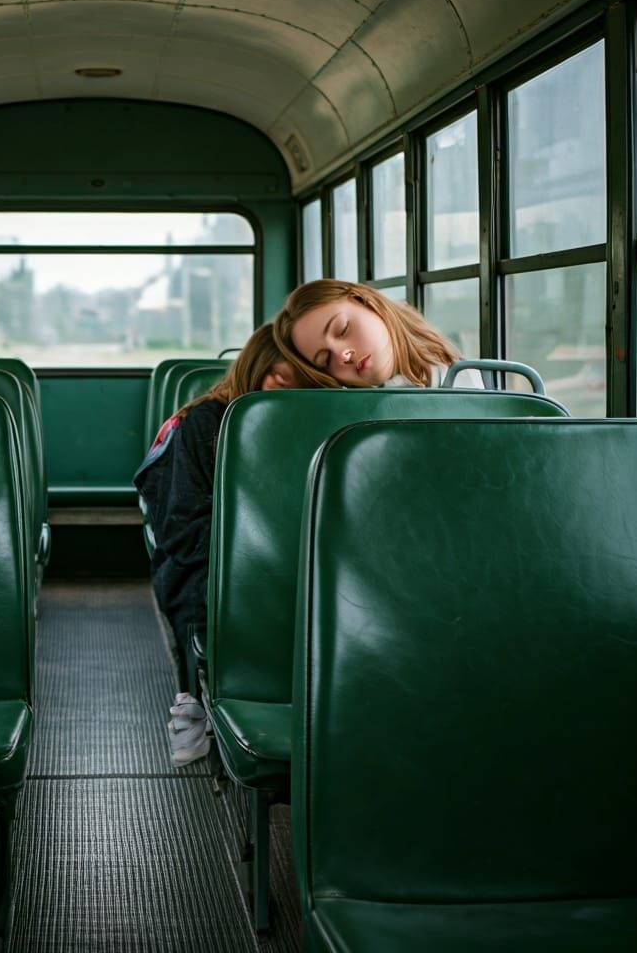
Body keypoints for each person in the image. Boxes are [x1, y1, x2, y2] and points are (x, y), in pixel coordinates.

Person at [134, 324, 312, 766]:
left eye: (297, 380)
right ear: (254, 369)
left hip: (296, 562)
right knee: (211, 598)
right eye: (274, 376)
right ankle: (197, 700)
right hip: (210, 561)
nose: (279, 389)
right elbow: (183, 530)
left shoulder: (316, 421)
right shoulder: (203, 424)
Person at [272, 279, 484, 389]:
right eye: (326, 360)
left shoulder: (460, 375)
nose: (343, 355)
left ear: (367, 302)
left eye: (342, 329)